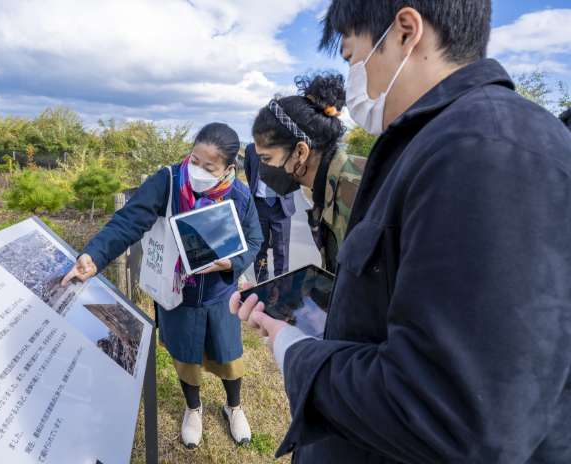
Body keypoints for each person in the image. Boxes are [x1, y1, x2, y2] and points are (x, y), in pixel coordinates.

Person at [231, 1, 571, 463]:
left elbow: (454, 413)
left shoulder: (483, 150)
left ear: (406, 32)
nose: (354, 80)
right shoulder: (438, 143)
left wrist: (300, 355)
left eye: (352, 57)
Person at [62, 123, 263, 449]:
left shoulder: (238, 195)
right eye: (194, 160)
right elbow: (129, 220)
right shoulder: (168, 182)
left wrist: (232, 263)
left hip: (219, 295)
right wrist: (95, 255)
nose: (196, 170)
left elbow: (254, 239)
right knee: (185, 357)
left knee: (229, 356)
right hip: (177, 294)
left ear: (228, 168)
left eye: (208, 166)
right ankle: (193, 409)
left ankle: (233, 406)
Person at [251, 73, 365, 272]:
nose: (263, 171)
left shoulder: (358, 192)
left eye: (267, 158)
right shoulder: (328, 187)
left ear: (300, 152)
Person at [244, 143, 295, 282]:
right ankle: (262, 285)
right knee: (260, 249)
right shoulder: (250, 149)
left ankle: (281, 287)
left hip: (281, 206)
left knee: (282, 251)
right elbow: (249, 174)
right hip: (259, 206)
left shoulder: (289, 147)